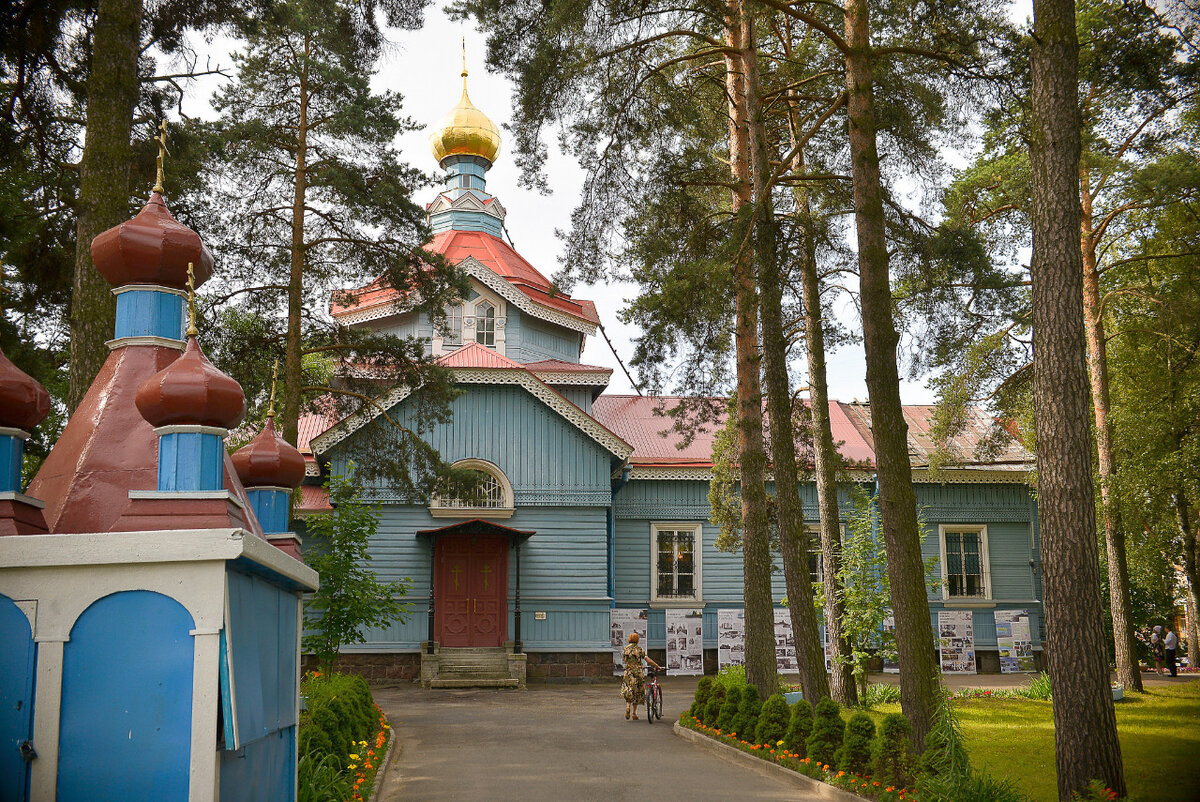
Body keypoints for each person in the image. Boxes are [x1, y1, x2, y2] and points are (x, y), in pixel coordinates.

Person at [621, 632, 661, 720]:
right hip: (637, 672)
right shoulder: (639, 650)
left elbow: (625, 660)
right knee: (637, 692)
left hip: (628, 672)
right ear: (637, 640)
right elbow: (648, 660)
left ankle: (628, 707)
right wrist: (656, 665)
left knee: (629, 690)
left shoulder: (625, 649)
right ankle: (634, 713)